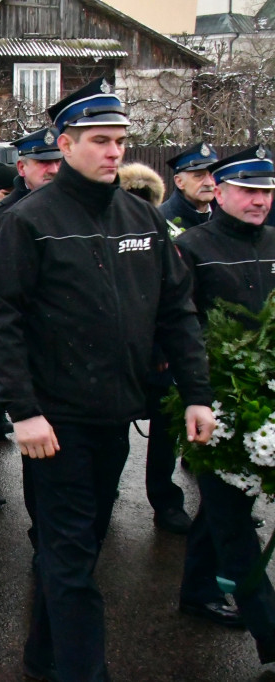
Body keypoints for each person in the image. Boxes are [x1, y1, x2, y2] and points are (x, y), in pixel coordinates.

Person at [0, 78, 215, 682]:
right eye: (100, 141)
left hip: (114, 414)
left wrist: (196, 392)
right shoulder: (30, 221)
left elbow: (176, 310)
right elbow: (1, 320)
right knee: (71, 553)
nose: (114, 152)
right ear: (65, 144)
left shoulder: (140, 216)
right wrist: (23, 410)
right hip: (54, 421)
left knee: (76, 543)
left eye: (120, 141)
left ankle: (41, 655)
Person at [177, 146, 275, 648]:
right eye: (250, 191)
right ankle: (270, 631)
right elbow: (179, 324)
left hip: (266, 400)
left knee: (224, 506)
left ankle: (196, 591)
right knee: (234, 519)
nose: (261, 201)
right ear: (221, 191)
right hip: (213, 401)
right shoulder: (192, 247)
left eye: (267, 191)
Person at [116, 161, 195, 534]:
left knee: (165, 434)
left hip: (160, 359)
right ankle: (108, 485)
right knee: (113, 436)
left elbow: (175, 302)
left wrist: (165, 353)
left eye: (147, 201)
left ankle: (164, 500)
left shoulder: (165, 239)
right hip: (118, 360)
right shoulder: (108, 238)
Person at [0, 127, 62, 221]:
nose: (54, 170)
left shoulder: (75, 205)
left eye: (58, 161)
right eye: (43, 162)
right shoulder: (0, 216)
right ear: (21, 168)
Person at [160, 141, 218, 230]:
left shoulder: (228, 216)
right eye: (199, 176)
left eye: (212, 175)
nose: (209, 183)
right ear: (179, 182)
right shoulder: (160, 220)